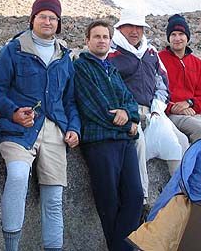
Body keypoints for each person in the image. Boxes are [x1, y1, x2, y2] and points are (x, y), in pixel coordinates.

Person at [0, 0, 80, 251]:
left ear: (59, 23)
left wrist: (73, 127)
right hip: (19, 128)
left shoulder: (64, 57)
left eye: (53, 17)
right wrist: (14, 111)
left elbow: (70, 100)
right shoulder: (14, 49)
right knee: (18, 176)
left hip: (54, 130)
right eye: (42, 16)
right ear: (33, 19)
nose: (48, 21)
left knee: (53, 198)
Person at [74, 20, 143, 251]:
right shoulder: (81, 68)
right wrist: (127, 125)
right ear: (87, 40)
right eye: (97, 36)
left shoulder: (112, 70)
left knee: (134, 196)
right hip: (100, 143)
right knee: (109, 201)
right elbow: (95, 108)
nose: (102, 40)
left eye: (105, 37)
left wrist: (130, 116)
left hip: (123, 143)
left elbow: (130, 103)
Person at [108, 8, 189, 190]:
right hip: (129, 111)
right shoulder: (111, 53)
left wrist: (157, 107)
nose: (135, 31)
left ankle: (181, 193)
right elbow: (110, 88)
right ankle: (142, 197)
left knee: (182, 141)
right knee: (139, 142)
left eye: (139, 27)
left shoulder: (150, 52)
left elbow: (163, 83)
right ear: (120, 28)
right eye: (130, 26)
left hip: (153, 110)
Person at [159, 14, 201, 143]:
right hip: (171, 113)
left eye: (181, 34)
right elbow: (152, 91)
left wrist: (190, 103)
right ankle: (194, 163)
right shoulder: (159, 59)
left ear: (187, 37)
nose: (177, 38)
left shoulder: (197, 63)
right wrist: (171, 107)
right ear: (168, 37)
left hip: (194, 112)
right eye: (173, 34)